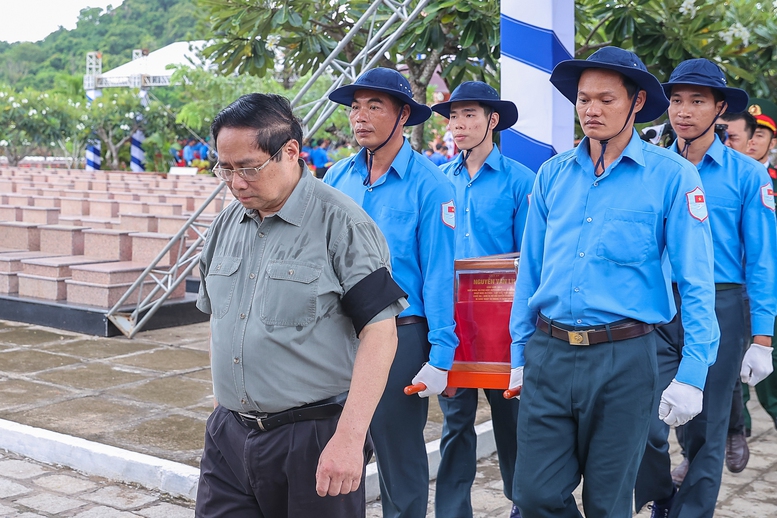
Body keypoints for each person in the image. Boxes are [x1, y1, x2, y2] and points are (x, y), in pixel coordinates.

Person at [507, 47, 720, 518]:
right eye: (584, 100)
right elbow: (531, 270)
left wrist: (692, 373)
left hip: (625, 359)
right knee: (534, 495)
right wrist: (519, 352)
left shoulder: (672, 177)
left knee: (609, 503)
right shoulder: (552, 175)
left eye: (606, 99)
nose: (591, 110)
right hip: (549, 353)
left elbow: (697, 282)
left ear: (637, 102)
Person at [195, 93, 408, 517]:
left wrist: (349, 438)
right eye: (226, 169)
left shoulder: (342, 225)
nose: (236, 182)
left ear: (291, 151)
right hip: (230, 435)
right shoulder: (225, 225)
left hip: (312, 437)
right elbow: (219, 318)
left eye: (249, 168)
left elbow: (380, 334)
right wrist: (225, 404)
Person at [634, 59, 776, 518]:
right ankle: (662, 493)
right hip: (654, 307)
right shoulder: (649, 169)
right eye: (676, 100)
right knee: (644, 421)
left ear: (719, 109)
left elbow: (762, 262)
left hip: (720, 305)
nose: (684, 111)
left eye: (698, 101)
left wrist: (762, 338)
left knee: (708, 428)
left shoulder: (747, 176)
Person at [324, 67, 458, 518]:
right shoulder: (336, 178)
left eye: (374, 106)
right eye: (355, 107)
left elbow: (439, 273)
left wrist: (442, 354)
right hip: (338, 335)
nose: (359, 117)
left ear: (403, 115)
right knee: (337, 449)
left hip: (400, 334)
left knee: (399, 454)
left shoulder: (432, 184)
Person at [430, 81, 534, 518]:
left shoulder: (521, 181)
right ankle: (453, 511)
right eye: (454, 116)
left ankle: (521, 502)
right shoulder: (438, 181)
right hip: (452, 324)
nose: (459, 125)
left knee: (512, 422)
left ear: (493, 121)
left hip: (503, 327)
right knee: (455, 423)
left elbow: (531, 258)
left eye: (470, 115)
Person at [742, 97, 777, 435]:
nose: (753, 141)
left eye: (761, 135)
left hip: (770, 289)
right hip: (736, 289)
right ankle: (738, 430)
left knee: (770, 379)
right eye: (749, 134)